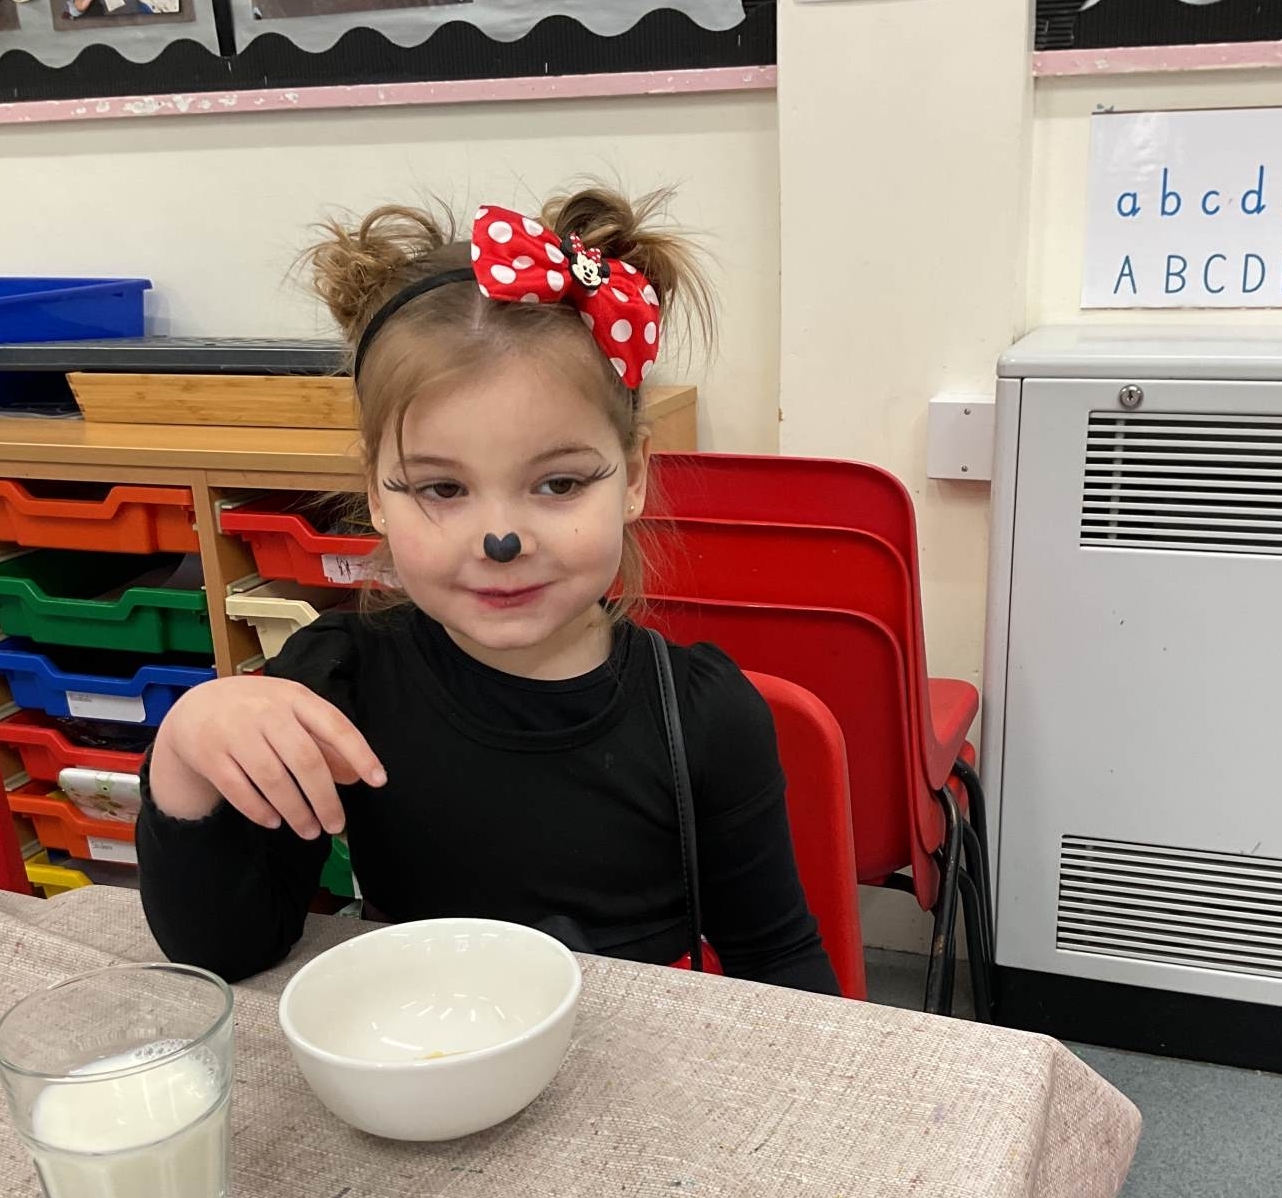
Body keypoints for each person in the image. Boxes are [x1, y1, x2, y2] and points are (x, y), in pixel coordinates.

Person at [136, 185, 839, 996]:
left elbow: (780, 964)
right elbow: (227, 952)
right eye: (442, 489)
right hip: (418, 1048)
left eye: (559, 483)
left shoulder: (705, 718)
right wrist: (184, 751)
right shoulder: (337, 683)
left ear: (633, 477)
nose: (500, 539)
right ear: (376, 493)